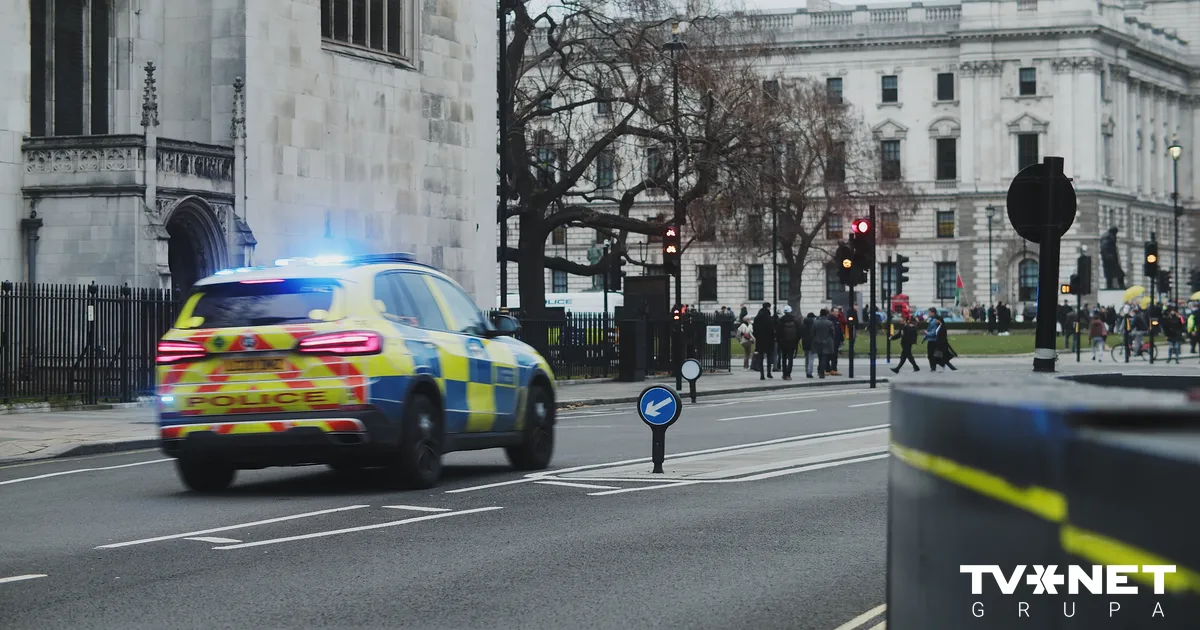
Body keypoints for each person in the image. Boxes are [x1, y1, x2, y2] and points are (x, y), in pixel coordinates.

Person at [810, 309, 836, 379]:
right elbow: (833, 333)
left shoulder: (815, 322)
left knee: (820, 357)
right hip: (827, 342)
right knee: (824, 358)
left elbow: (812, 333)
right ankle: (821, 372)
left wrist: (816, 338)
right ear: (826, 314)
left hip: (817, 342)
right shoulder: (829, 323)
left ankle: (819, 370)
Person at [752, 302, 776, 380]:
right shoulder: (768, 317)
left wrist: (757, 336)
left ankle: (762, 374)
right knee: (769, 357)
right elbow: (772, 329)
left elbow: (754, 329)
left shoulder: (757, 317)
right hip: (768, 340)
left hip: (760, 340)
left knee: (760, 357)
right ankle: (769, 372)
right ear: (768, 307)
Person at [777, 306, 800, 380]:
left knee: (783, 358)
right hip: (792, 343)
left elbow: (778, 333)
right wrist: (796, 340)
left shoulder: (781, 321)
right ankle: (788, 374)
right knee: (790, 359)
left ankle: (784, 374)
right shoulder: (795, 321)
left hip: (783, 343)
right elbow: (798, 333)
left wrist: (779, 341)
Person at [801, 312, 816, 378]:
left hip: (805, 343)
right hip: (812, 343)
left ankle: (806, 370)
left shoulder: (803, 325)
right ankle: (809, 372)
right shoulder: (813, 325)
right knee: (811, 358)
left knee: (806, 357)